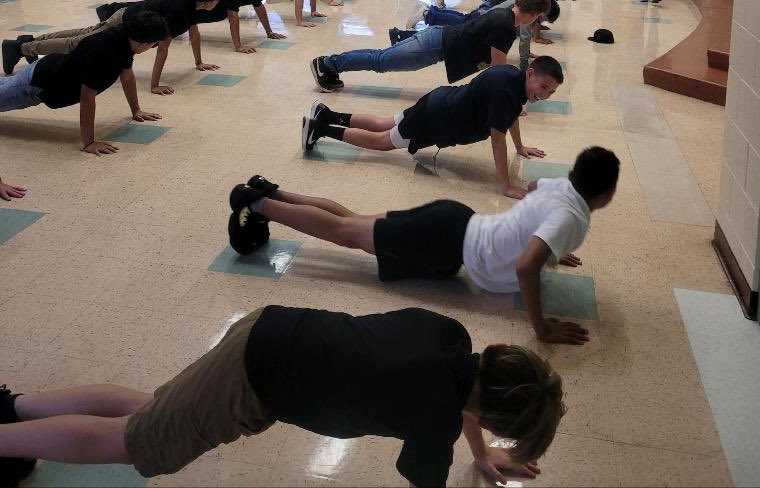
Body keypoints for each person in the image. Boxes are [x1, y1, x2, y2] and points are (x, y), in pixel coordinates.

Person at [0, 311, 564, 488]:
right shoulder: (435, 417)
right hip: (257, 379)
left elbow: (458, 399)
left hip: (271, 328)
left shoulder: (453, 339)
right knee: (138, 442)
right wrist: (476, 449)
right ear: (490, 412)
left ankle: (13, 405)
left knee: (154, 407)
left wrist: (479, 450)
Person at [228, 146, 619, 347]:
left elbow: (534, 193)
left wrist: (548, 245)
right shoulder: (571, 217)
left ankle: (272, 192)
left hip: (455, 220)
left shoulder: (561, 186)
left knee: (352, 221)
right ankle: (258, 204)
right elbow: (525, 268)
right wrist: (542, 328)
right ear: (606, 194)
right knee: (346, 233)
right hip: (444, 243)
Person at [302, 58, 562, 197]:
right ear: (530, 74)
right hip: (438, 118)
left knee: (384, 123)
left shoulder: (512, 78)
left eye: (551, 91)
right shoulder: (508, 93)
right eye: (543, 87)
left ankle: (329, 114)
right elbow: (497, 139)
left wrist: (520, 146)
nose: (545, 94)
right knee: (382, 142)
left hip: (438, 100)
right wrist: (505, 185)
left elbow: (512, 116)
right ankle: (320, 128)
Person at [2, 0, 223, 96]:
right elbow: (162, 48)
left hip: (127, 14)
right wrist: (154, 85)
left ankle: (26, 42)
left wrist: (199, 62)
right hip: (124, 21)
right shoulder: (180, 11)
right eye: (216, 1)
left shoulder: (190, 1)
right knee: (77, 44)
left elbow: (195, 35)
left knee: (81, 34)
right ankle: (23, 48)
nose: (217, 5)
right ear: (208, 1)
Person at [309, 0, 550, 91]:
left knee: (381, 59)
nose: (537, 22)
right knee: (380, 61)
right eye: (539, 17)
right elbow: (498, 71)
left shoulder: (504, 15)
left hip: (437, 42)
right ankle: (328, 64)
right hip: (434, 45)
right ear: (533, 14)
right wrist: (516, 95)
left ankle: (331, 64)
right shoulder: (505, 26)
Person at [0, 10, 169, 155]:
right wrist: (89, 142)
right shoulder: (106, 54)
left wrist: (136, 110)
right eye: (154, 44)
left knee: (7, 85)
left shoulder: (125, 38)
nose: (153, 47)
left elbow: (127, 75)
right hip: (37, 84)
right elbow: (87, 97)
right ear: (143, 44)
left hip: (46, 70)